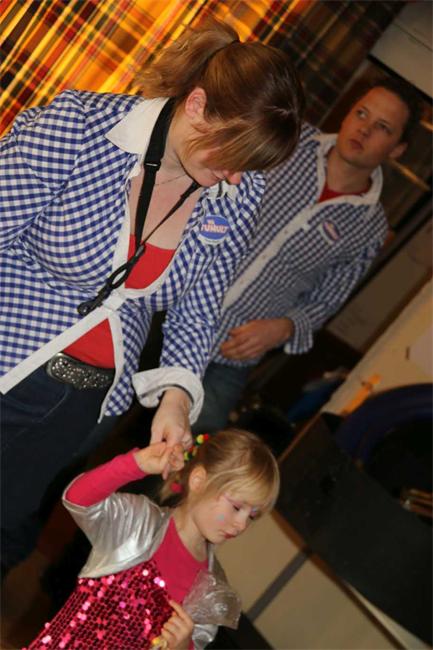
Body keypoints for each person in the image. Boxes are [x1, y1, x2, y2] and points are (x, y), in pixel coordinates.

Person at [0, 19, 304, 573]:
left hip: (82, 403)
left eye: (247, 166)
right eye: (229, 156)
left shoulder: (240, 189)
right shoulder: (78, 127)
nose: (233, 179)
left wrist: (177, 396)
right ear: (197, 105)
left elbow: (198, 305)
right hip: (8, 360)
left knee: (4, 531)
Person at [193, 77, 421, 433]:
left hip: (229, 353)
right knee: (102, 412)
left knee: (190, 454)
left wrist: (283, 327)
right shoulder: (289, 140)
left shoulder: (370, 228)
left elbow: (326, 301)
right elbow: (210, 188)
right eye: (361, 113)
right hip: (168, 307)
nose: (363, 129)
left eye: (382, 127)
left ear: (397, 149)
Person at [24, 429, 280, 649]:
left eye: (252, 516)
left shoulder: (211, 587)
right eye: (236, 507)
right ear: (199, 481)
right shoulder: (138, 522)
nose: (241, 525)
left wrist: (183, 645)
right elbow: (78, 499)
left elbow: (197, 642)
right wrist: (134, 464)